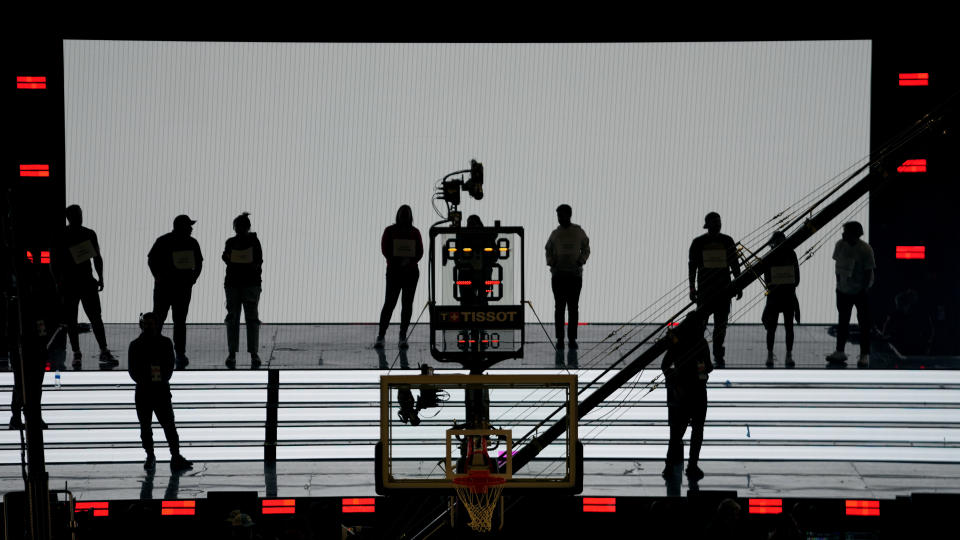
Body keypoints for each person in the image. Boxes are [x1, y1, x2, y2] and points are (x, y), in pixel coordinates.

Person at [128, 311, 193, 472]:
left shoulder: (137, 345)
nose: (149, 327)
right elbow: (167, 368)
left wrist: (146, 377)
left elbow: (135, 372)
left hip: (147, 392)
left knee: (155, 427)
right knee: (161, 426)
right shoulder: (163, 343)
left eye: (151, 323)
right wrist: (156, 376)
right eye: (147, 324)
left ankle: (155, 456)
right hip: (157, 391)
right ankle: (172, 456)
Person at [56, 205, 117, 368]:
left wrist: (101, 276)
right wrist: (100, 277)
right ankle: (86, 351)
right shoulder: (84, 233)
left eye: (80, 214)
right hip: (78, 282)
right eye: (77, 214)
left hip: (79, 282)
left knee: (86, 318)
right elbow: (96, 257)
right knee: (82, 319)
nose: (79, 217)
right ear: (70, 217)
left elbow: (97, 257)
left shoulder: (74, 234)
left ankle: (85, 352)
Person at [660, 314, 712, 482]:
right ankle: (691, 465)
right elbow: (708, 367)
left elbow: (665, 365)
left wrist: (674, 383)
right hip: (698, 392)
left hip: (681, 392)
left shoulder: (677, 342)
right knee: (697, 431)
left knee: (677, 433)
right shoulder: (701, 343)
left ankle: (669, 466)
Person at [148, 215, 203, 369]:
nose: (191, 228)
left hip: (175, 288)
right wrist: (193, 278)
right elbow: (199, 263)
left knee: (168, 320)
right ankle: (175, 353)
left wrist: (193, 278)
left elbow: (151, 260)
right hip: (172, 288)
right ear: (181, 227)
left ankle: (168, 352)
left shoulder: (165, 240)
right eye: (189, 226)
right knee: (170, 320)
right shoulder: (188, 242)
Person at [688, 211, 741, 368]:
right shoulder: (698, 243)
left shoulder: (727, 241)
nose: (718, 225)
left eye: (719, 222)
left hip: (724, 292)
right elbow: (692, 267)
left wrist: (738, 285)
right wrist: (691, 288)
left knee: (720, 326)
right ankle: (700, 355)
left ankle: (718, 354)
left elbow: (735, 264)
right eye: (715, 222)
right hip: (705, 292)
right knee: (700, 325)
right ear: (708, 225)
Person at [827, 221, 875, 368]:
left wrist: (864, 289)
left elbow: (868, 272)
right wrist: (838, 285)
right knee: (843, 322)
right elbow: (837, 267)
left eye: (845, 231)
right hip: (843, 290)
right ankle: (840, 351)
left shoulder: (865, 249)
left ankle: (864, 354)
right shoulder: (839, 245)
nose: (843, 234)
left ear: (854, 233)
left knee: (863, 323)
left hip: (859, 291)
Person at [375, 205, 424, 349]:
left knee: (406, 305)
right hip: (395, 272)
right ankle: (381, 335)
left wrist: (407, 261)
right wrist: (400, 261)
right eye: (403, 213)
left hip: (409, 273)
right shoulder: (390, 231)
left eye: (406, 214)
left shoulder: (414, 232)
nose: (404, 216)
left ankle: (402, 336)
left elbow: (420, 252)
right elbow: (385, 249)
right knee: (390, 303)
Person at [545, 204, 590, 349]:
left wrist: (580, 261)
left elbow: (586, 248)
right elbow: (548, 249)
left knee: (571, 308)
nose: (559, 218)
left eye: (561, 215)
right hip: (560, 276)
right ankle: (560, 339)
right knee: (560, 308)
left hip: (573, 276)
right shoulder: (555, 233)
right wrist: (552, 263)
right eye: (558, 216)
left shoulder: (577, 232)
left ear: (568, 215)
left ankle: (571, 339)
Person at [222, 212, 263, 369]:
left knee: (237, 318)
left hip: (239, 283)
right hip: (245, 283)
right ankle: (251, 354)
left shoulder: (246, 241)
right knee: (248, 318)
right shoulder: (249, 241)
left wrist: (231, 258)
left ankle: (237, 354)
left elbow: (258, 260)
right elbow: (258, 260)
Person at [761, 231, 801, 368]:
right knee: (782, 327)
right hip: (787, 294)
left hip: (777, 296)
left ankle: (773, 354)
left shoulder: (771, 256)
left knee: (781, 327)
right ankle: (781, 354)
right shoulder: (791, 254)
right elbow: (796, 278)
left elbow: (767, 279)